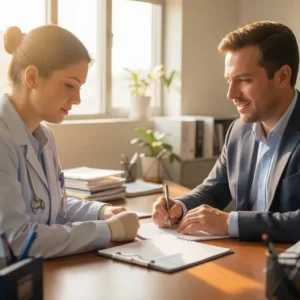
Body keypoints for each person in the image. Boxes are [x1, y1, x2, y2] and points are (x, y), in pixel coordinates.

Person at [152, 21, 300, 243]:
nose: (231, 94)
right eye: (229, 80)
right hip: (244, 258)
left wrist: (230, 222)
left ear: (282, 76)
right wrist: (179, 206)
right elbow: (214, 189)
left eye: (244, 80)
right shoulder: (239, 130)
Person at [0, 25, 139, 258]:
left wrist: (101, 212)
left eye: (80, 87)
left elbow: (52, 208)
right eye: (69, 85)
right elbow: (18, 242)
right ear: (32, 77)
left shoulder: (44, 136)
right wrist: (108, 230)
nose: (77, 99)